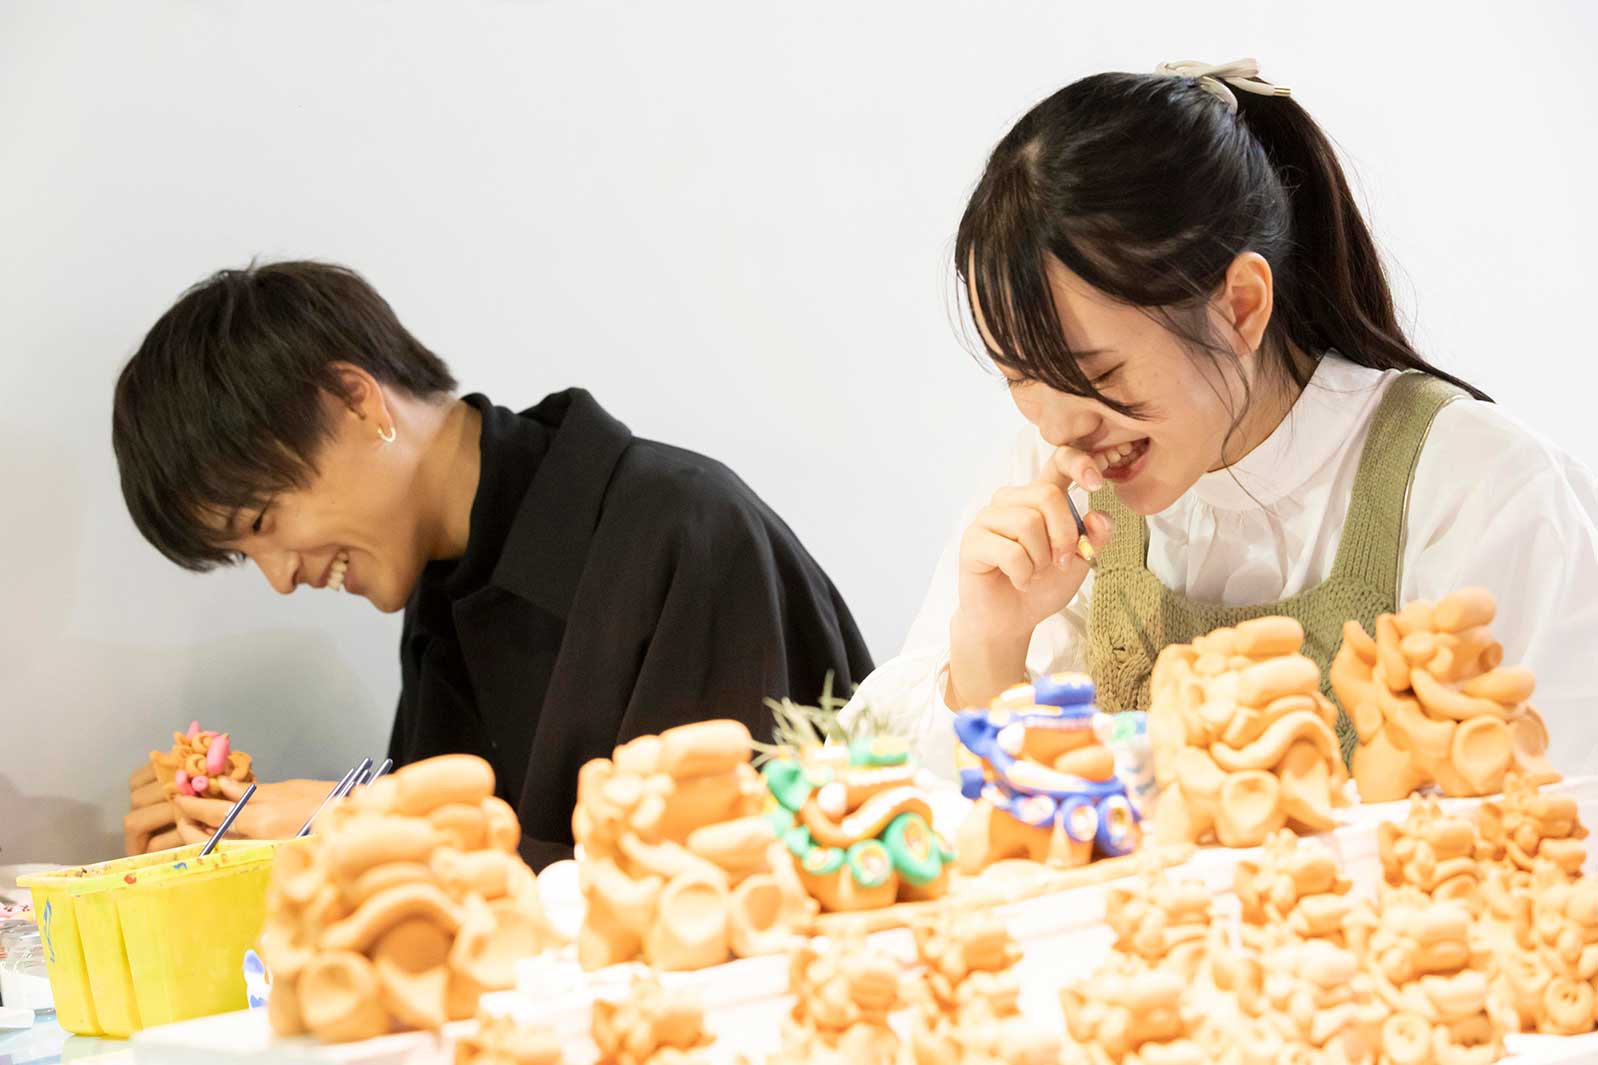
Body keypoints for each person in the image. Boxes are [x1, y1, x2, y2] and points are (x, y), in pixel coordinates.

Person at [843, 59, 1598, 778]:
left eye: (1097, 373)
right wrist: (991, 645)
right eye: (1021, 376)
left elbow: (1553, 819)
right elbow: (883, 801)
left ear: (1240, 306)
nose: (1059, 427)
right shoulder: (1046, 500)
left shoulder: (1476, 490)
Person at [116, 260, 871, 867]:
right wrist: (230, 841)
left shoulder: (685, 527)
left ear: (356, 402)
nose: (282, 577)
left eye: (262, 521)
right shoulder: (445, 586)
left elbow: (705, 892)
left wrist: (367, 821)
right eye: (246, 556)